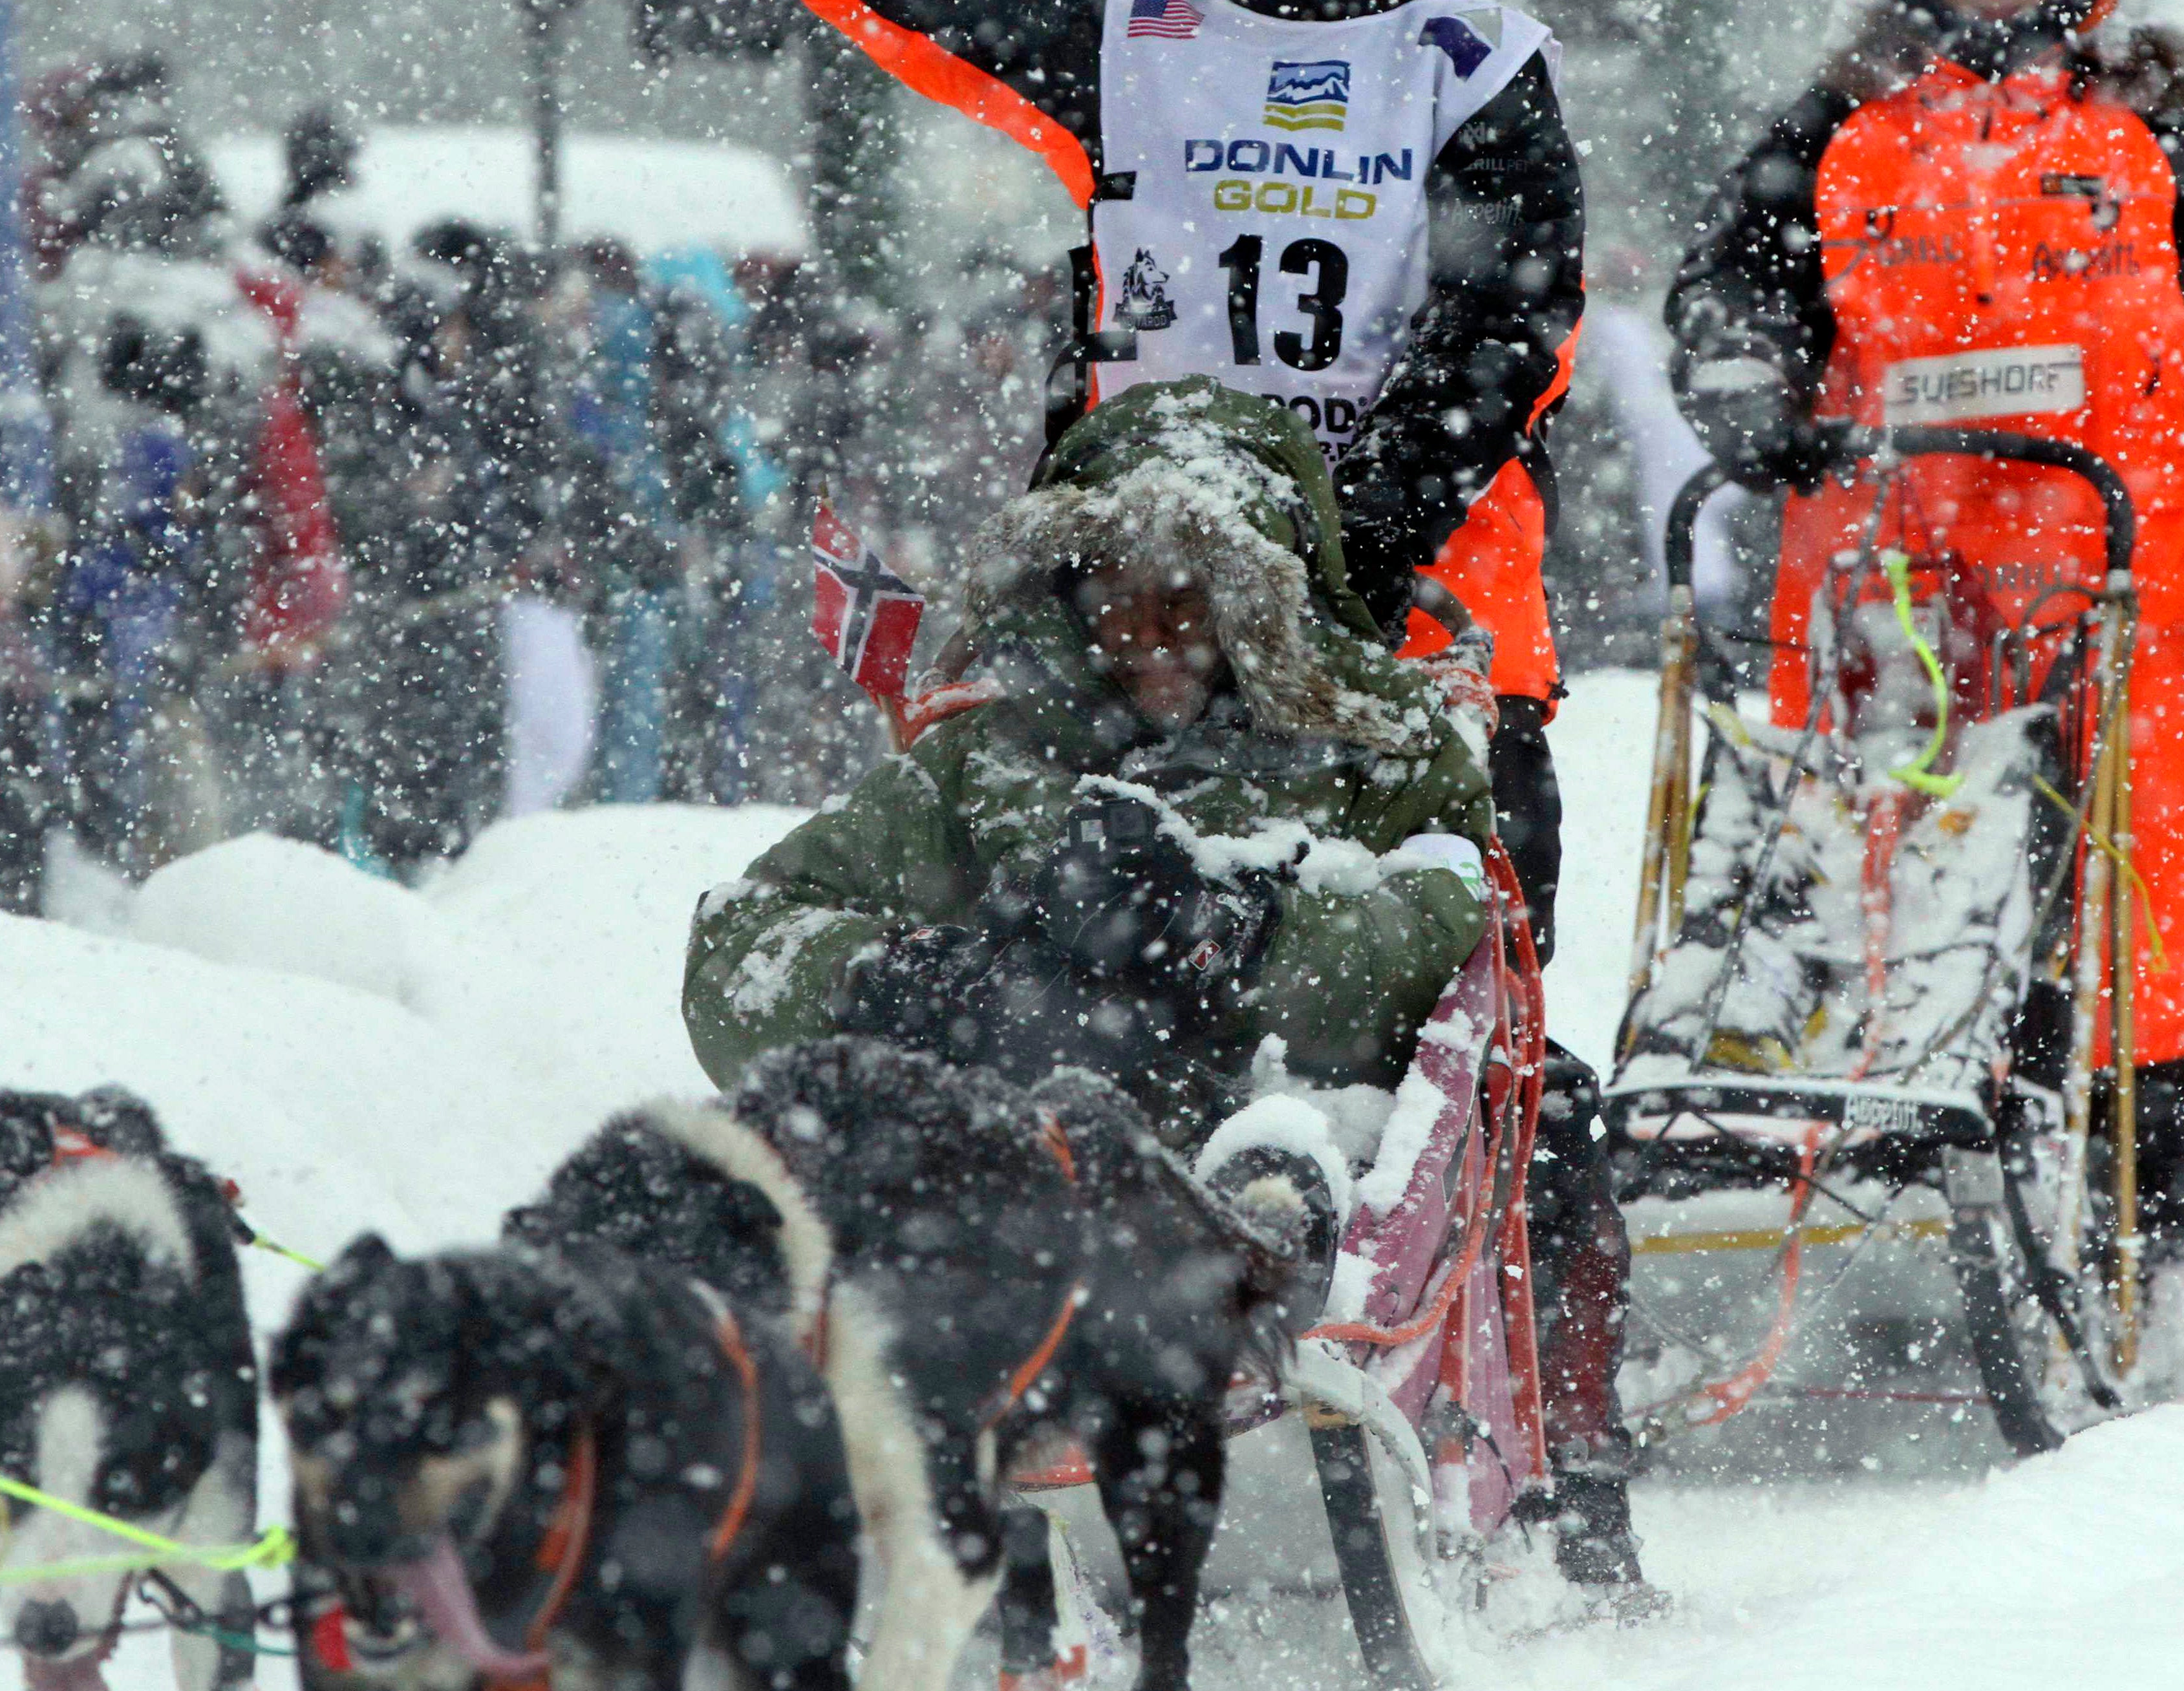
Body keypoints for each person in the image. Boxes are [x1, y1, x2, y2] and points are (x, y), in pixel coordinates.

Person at [689, 0, 1588, 948]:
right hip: (1146, 608)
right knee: (1112, 969)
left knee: (1450, 990)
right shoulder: (1126, 24)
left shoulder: (1471, 60)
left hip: (1423, 613)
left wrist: (1346, 544)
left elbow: (1510, 326)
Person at [683, 379, 1641, 1592]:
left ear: (1261, 599)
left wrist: (1233, 935)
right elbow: (742, 940)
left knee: (1549, 1114)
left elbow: (1449, 925)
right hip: (1023, 1150)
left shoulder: (1381, 741)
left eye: (1187, 598)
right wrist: (909, 980)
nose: (1147, 632)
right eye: (1114, 595)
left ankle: (1576, 1482)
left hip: (1284, 1149)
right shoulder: (986, 758)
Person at [1666, 0, 2184, 1290]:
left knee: (2157, 935)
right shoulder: (1837, 127)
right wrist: (1747, 385)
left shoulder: (2178, 134)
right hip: (1902, 600)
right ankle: (1882, 1203)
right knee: (1873, 898)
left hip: (2141, 595)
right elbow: (1728, 296)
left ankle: (2164, 1231)